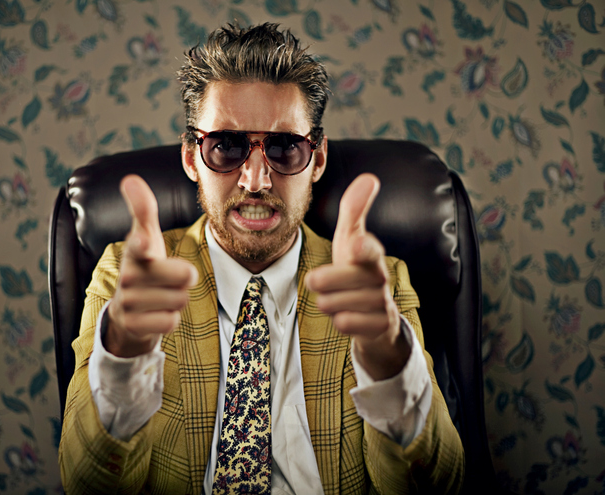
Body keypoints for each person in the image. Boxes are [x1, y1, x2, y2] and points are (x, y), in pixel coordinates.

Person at [59, 23, 464, 494]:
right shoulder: (125, 278)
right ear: (192, 157)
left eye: (285, 147)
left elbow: (441, 485)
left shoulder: (379, 285)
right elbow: (86, 484)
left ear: (317, 158)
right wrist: (124, 355)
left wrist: (388, 358)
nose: (256, 180)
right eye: (226, 147)